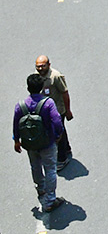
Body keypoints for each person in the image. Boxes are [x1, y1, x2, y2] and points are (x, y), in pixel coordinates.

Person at [13, 72, 65, 213]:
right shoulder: (48, 103)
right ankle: (50, 201)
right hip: (47, 143)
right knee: (50, 170)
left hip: (30, 144)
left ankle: (41, 189)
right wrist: (58, 135)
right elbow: (57, 121)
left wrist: (16, 140)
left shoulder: (21, 105)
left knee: (35, 167)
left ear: (28, 88)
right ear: (42, 87)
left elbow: (16, 124)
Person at [35, 56, 72, 169]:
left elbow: (65, 93)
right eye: (38, 66)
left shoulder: (55, 76)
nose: (40, 68)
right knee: (58, 131)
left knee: (58, 133)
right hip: (44, 112)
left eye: (43, 66)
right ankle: (67, 149)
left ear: (49, 65)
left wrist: (68, 110)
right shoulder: (36, 76)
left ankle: (62, 158)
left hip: (58, 111)